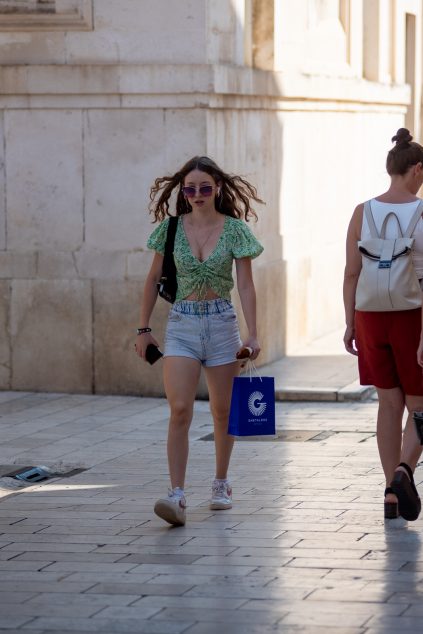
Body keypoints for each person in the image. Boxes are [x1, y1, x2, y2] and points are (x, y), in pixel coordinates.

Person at [135, 156, 264, 526]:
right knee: (180, 409)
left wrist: (253, 333)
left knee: (223, 411)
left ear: (217, 188)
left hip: (222, 324)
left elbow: (246, 285)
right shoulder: (171, 228)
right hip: (183, 325)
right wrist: (143, 329)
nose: (197, 194)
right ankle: (176, 494)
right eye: (190, 189)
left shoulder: (235, 230)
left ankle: (221, 483)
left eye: (205, 187)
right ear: (183, 191)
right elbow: (152, 279)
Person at [343, 128, 423, 522]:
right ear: (417, 169)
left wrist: (349, 323)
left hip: (369, 317)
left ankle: (391, 494)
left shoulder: (362, 211)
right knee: (419, 405)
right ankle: (404, 471)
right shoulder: (422, 212)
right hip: (413, 317)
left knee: (388, 404)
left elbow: (351, 273)